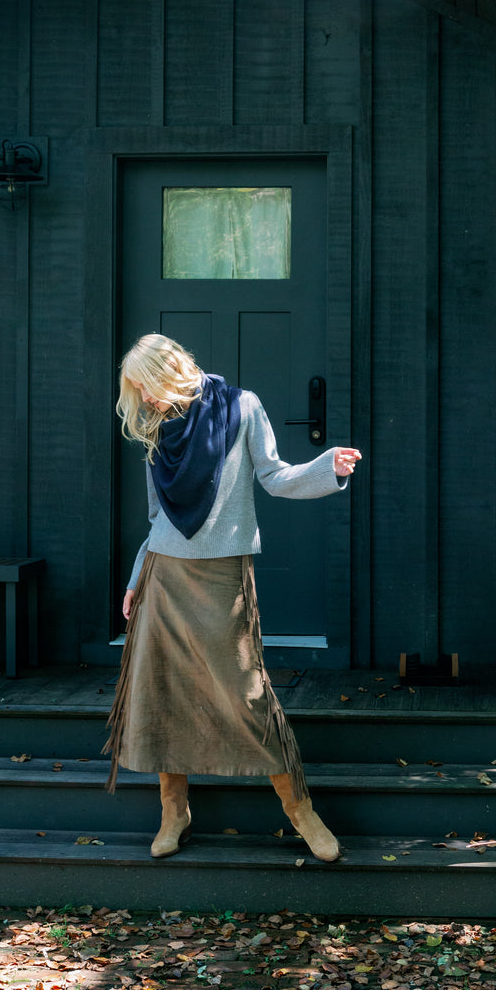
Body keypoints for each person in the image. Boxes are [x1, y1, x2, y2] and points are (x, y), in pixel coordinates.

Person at [103, 333, 361, 863]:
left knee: (248, 694)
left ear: (170, 370)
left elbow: (275, 476)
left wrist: (325, 468)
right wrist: (135, 578)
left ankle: (300, 811)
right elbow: (157, 518)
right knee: (163, 692)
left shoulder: (242, 407)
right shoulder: (156, 424)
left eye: (148, 388)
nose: (147, 401)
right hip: (164, 576)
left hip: (223, 576)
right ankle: (174, 811)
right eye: (139, 393)